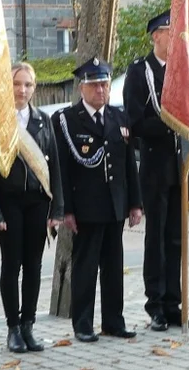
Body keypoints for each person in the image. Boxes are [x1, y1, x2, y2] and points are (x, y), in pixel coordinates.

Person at [53, 57, 142, 342]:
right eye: (94, 85)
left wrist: (135, 203)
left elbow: (130, 165)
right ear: (82, 88)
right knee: (86, 267)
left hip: (115, 204)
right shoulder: (67, 120)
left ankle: (114, 321)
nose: (101, 90)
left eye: (104, 84)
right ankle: (82, 323)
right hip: (86, 207)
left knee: (114, 267)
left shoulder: (119, 117)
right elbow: (62, 169)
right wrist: (65, 208)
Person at [123, 10, 189, 332]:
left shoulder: (183, 72)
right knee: (156, 240)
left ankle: (174, 303)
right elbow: (136, 121)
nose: (176, 38)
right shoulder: (140, 72)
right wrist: (170, 123)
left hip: (179, 166)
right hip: (154, 167)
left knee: (176, 240)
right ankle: (155, 305)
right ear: (156, 36)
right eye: (170, 32)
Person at [0, 62, 63, 353]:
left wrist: (57, 209)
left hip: (37, 202)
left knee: (34, 265)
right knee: (11, 264)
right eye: (17, 83)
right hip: (9, 201)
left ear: (35, 87)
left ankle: (28, 325)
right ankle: (13, 328)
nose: (22, 90)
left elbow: (54, 167)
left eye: (28, 84)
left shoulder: (44, 120)